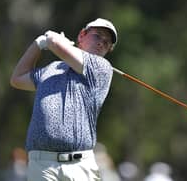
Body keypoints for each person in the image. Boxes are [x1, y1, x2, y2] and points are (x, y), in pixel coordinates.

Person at [10, 18, 117, 181]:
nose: (102, 43)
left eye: (107, 42)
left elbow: (54, 42)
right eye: (98, 36)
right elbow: (17, 79)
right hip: (42, 165)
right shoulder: (51, 69)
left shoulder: (101, 67)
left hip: (80, 166)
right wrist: (38, 44)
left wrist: (52, 39)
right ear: (82, 35)